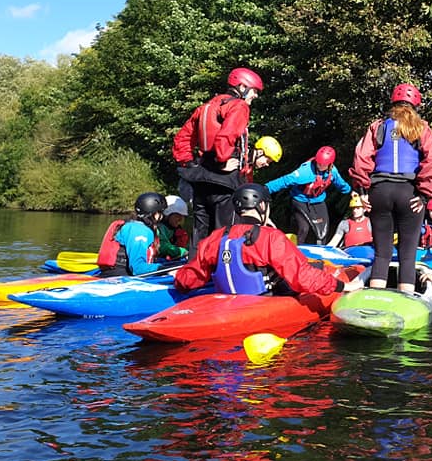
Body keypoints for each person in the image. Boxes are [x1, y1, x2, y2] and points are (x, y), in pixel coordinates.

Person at [174, 183, 365, 295]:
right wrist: (341, 287)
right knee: (313, 268)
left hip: (229, 299)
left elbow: (187, 280)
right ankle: (341, 274)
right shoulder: (271, 237)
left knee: (313, 267)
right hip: (267, 299)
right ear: (262, 207)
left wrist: (179, 282)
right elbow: (302, 277)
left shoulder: (215, 237)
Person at [349, 82, 432, 294]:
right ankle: (406, 300)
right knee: (407, 254)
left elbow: (361, 158)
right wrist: (424, 194)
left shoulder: (379, 126)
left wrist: (362, 191)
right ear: (416, 105)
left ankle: (375, 299)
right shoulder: (421, 128)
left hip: (379, 192)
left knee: (382, 253)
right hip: (408, 193)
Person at [172, 67, 267, 252]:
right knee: (226, 232)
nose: (255, 96)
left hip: (201, 177)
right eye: (254, 91)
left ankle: (192, 276)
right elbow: (226, 136)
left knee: (200, 232)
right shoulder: (239, 106)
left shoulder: (206, 106)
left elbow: (181, 139)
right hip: (224, 179)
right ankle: (223, 275)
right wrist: (222, 161)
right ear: (242, 86)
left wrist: (190, 164)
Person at [265, 145, 353, 244]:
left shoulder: (333, 172)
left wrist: (351, 191)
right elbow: (285, 180)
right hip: (300, 200)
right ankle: (298, 250)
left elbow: (341, 184)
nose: (319, 166)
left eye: (323, 164)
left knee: (322, 231)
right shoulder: (305, 172)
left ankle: (320, 253)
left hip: (318, 201)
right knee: (304, 228)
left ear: (330, 164)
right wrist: (266, 188)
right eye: (318, 163)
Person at [96, 192, 168, 277]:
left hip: (112, 274)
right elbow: (138, 268)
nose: (162, 217)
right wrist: (165, 269)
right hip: (120, 279)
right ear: (154, 214)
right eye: (160, 213)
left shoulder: (131, 225)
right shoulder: (139, 231)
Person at [156, 195, 190, 261]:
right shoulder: (159, 228)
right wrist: (182, 251)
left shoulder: (176, 230)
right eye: (177, 216)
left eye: (182, 216)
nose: (180, 219)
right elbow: (163, 246)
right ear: (167, 214)